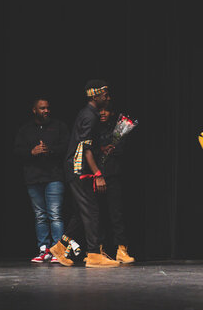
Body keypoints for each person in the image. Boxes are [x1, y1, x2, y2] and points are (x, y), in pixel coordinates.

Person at [50, 79, 120, 268]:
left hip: (77, 166)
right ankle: (94, 254)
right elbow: (84, 147)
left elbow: (87, 145)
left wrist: (101, 148)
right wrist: (98, 174)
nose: (108, 98)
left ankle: (60, 247)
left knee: (82, 213)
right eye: (105, 95)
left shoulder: (89, 113)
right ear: (96, 96)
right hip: (79, 168)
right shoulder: (90, 116)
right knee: (91, 210)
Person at [14, 97, 69, 263]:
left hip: (54, 177)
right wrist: (32, 152)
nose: (46, 111)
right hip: (33, 178)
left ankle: (58, 250)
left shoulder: (58, 126)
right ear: (34, 110)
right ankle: (44, 249)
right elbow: (16, 151)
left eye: (47, 108)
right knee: (40, 215)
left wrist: (49, 150)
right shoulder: (25, 130)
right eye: (42, 108)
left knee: (55, 215)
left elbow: (67, 147)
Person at [95, 105, 135, 263]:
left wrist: (112, 148)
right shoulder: (92, 128)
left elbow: (123, 151)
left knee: (116, 214)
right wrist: (101, 150)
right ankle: (98, 250)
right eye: (100, 110)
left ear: (112, 111)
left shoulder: (117, 129)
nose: (103, 113)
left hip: (113, 176)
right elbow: (87, 150)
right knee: (97, 215)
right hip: (95, 176)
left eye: (106, 110)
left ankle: (121, 250)